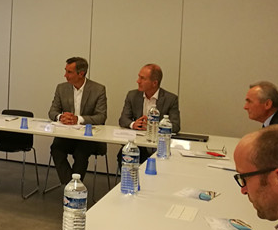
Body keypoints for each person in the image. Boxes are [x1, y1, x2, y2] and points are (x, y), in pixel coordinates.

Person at [48, 56, 107, 185]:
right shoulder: (61, 88)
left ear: (81, 74)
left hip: (87, 136)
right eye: (65, 71)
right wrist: (61, 117)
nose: (65, 75)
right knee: (56, 149)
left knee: (81, 153)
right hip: (67, 134)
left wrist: (78, 119)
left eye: (69, 72)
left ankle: (72, 187)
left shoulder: (98, 90)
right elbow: (52, 112)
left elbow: (101, 116)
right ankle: (72, 186)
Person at [118, 63, 181, 163]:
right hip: (138, 145)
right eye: (139, 77)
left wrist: (153, 126)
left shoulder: (170, 99)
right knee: (124, 154)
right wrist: (134, 124)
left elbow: (176, 126)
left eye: (142, 78)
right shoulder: (132, 95)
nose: (138, 81)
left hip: (160, 146)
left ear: (154, 83)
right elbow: (123, 119)